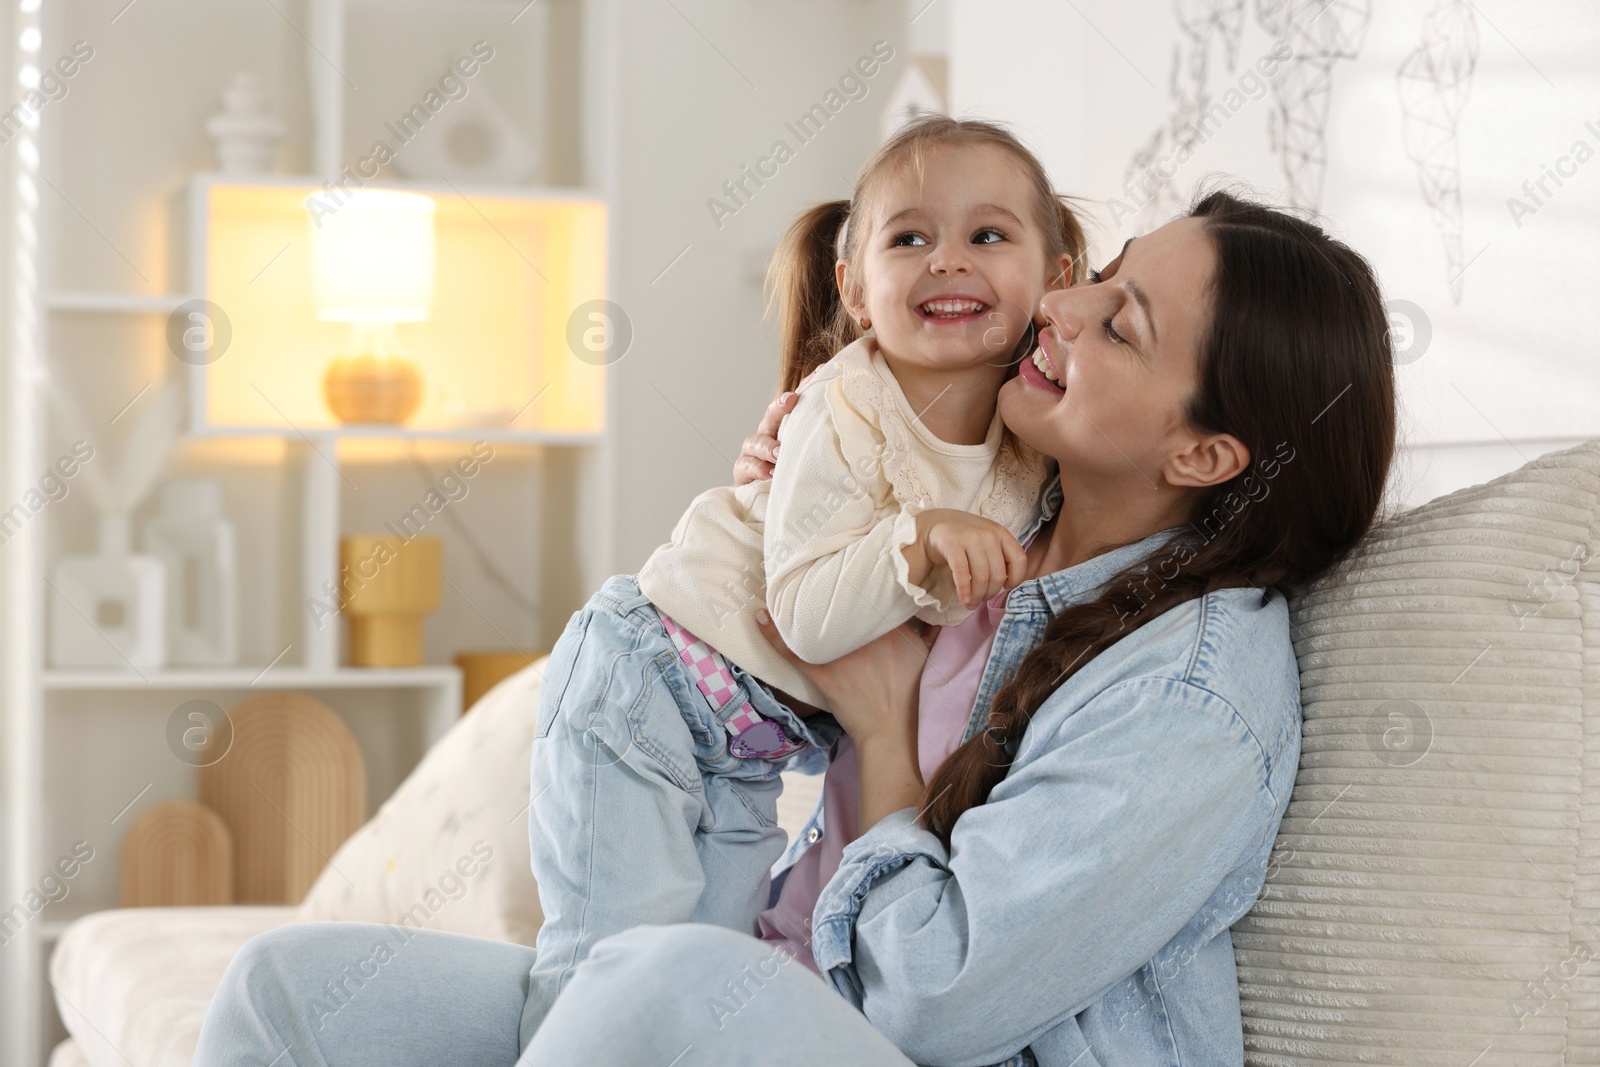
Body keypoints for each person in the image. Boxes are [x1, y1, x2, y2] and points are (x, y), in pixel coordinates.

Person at [194, 190, 1395, 1066]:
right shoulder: (1006, 511)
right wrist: (803, 464)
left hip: (907, 1034)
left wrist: (881, 740)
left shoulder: (1192, 699)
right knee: (286, 993)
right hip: (793, 989)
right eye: (1101, 266)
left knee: (668, 978)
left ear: (1202, 453)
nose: (1062, 303)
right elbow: (856, 434)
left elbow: (940, 997)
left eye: (1120, 322)